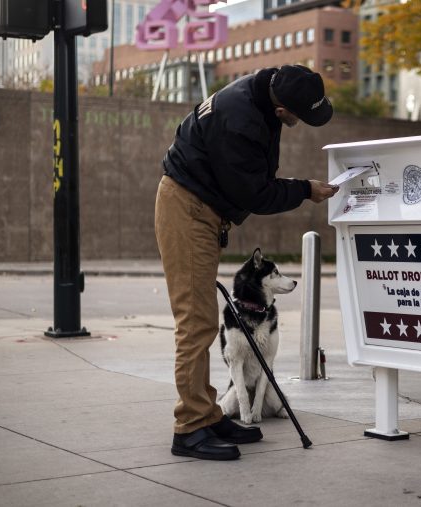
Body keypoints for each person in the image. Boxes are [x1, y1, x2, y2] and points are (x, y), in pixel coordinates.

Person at [154, 65, 339, 461]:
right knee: (196, 321)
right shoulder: (240, 121)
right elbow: (256, 193)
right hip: (188, 210)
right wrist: (305, 190)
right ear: (280, 110)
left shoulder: (261, 91)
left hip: (200, 207)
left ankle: (208, 414)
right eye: (299, 117)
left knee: (201, 318)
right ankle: (189, 428)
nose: (300, 123)